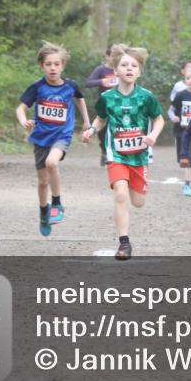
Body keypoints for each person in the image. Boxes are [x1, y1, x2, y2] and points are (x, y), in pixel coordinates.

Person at [81, 44, 165, 260]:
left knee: (137, 202)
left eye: (134, 65)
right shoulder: (107, 97)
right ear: (115, 70)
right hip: (116, 155)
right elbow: (101, 119)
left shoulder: (146, 97)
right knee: (120, 195)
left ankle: (133, 187)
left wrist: (153, 136)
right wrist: (91, 129)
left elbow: (158, 119)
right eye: (124, 65)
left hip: (139, 157)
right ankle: (124, 243)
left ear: (139, 71)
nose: (129, 68)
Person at [16, 42, 90, 236]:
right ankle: (43, 212)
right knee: (42, 182)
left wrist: (86, 122)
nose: (53, 68)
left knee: (51, 163)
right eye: (48, 64)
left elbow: (80, 99)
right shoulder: (37, 87)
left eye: (56, 64)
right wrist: (24, 121)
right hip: (41, 137)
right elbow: (20, 108)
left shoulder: (70, 86)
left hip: (62, 135)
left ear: (62, 66)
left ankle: (57, 203)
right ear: (42, 66)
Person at [171, 65, 191, 196]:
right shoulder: (180, 95)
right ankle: (190, 182)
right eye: (187, 78)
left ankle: (187, 184)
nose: (190, 81)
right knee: (182, 159)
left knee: (189, 159)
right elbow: (172, 109)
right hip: (181, 132)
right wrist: (173, 117)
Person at [85, 43, 120, 166]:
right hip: (104, 104)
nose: (113, 59)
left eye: (116, 56)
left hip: (119, 105)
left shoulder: (121, 69)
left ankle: (115, 153)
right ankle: (104, 150)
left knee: (117, 128)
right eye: (112, 56)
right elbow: (88, 82)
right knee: (102, 130)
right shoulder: (101, 69)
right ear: (107, 56)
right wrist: (102, 81)